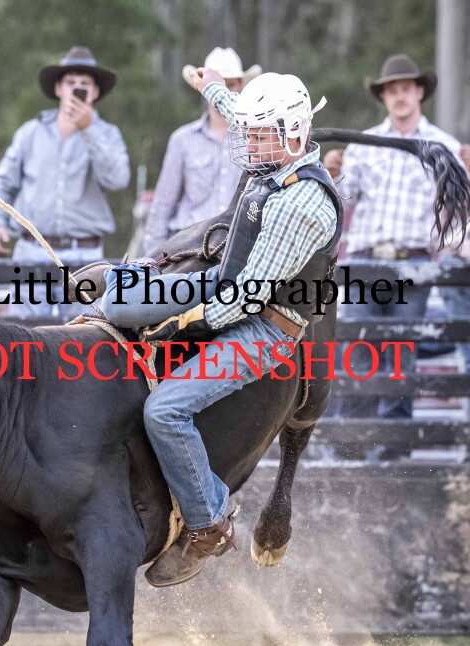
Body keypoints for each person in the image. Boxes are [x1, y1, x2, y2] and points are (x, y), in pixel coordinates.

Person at [95, 70, 340, 587]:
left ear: (293, 133)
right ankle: (120, 293)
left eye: (260, 134)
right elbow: (236, 114)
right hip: (222, 283)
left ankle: (208, 522)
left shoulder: (303, 206)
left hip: (264, 329)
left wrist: (178, 322)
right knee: (116, 302)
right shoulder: (277, 158)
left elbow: (245, 298)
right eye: (250, 132)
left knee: (165, 411)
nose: (248, 142)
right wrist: (212, 89)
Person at [321, 54, 470, 455]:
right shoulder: (364, 143)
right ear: (384, 97)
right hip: (364, 259)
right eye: (392, 90)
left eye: (406, 89)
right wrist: (333, 173)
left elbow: (466, 206)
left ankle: (394, 450)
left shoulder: (443, 146)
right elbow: (343, 198)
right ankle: (354, 445)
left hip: (413, 262)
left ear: (419, 92)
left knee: (401, 355)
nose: (399, 97)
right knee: (358, 349)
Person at [0, 46, 129, 322]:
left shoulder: (108, 134)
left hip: (85, 254)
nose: (77, 88)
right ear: (58, 88)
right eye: (70, 82)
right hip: (31, 249)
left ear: (95, 92)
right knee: (25, 335)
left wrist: (88, 129)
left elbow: (117, 179)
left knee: (84, 334)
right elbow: (0, 181)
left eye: (84, 83)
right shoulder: (31, 132)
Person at [141, 47, 261, 253]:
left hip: (239, 244)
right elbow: (162, 207)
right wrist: (151, 258)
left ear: (241, 86)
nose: (223, 92)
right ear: (203, 89)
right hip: (189, 246)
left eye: (230, 85)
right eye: (218, 86)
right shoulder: (182, 139)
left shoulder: (256, 139)